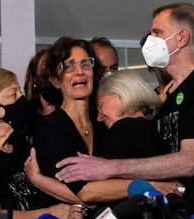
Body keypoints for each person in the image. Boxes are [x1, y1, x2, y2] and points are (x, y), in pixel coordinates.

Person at [55, 3, 194, 218]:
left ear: (181, 38)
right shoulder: (167, 96)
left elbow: (192, 161)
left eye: (157, 32)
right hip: (177, 211)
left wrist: (109, 167)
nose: (150, 39)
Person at [0, 67, 85, 219]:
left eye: (20, 92)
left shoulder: (24, 149)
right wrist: (48, 213)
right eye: (13, 95)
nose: (22, 100)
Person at [31, 37, 132, 217]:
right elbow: (87, 193)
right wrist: (148, 185)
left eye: (86, 64)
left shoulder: (103, 122)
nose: (80, 72)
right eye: (69, 66)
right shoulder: (49, 129)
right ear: (55, 80)